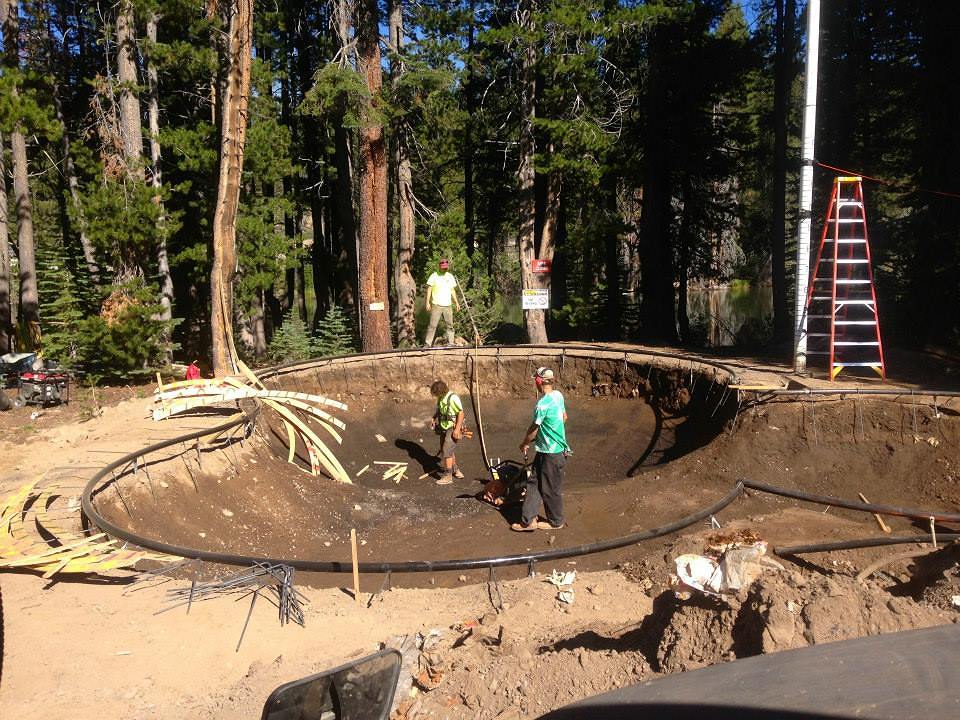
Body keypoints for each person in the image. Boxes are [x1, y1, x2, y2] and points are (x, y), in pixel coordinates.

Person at [513, 366, 570, 531]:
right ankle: (528, 520)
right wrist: (550, 433)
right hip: (545, 451)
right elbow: (564, 418)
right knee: (534, 483)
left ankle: (556, 521)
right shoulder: (558, 396)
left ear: (539, 381)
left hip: (553, 454)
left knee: (550, 489)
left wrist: (525, 443)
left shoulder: (542, 404)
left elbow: (534, 430)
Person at [430, 379, 465, 485]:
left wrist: (457, 429)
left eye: (437, 394)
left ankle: (448, 476)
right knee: (448, 450)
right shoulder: (441, 398)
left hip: (453, 427)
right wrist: (434, 417)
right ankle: (455, 470)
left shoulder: (453, 398)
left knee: (446, 451)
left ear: (442, 391)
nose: (436, 396)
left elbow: (461, 413)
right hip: (443, 427)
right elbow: (439, 409)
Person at [424, 259, 460, 346]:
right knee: (432, 325)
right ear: (439, 266)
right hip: (436, 305)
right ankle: (427, 343)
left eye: (446, 267)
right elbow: (429, 289)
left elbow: (452, 290)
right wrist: (427, 302)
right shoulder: (434, 276)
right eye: (443, 267)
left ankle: (450, 343)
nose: (444, 269)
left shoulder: (450, 276)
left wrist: (457, 302)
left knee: (450, 325)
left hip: (448, 305)